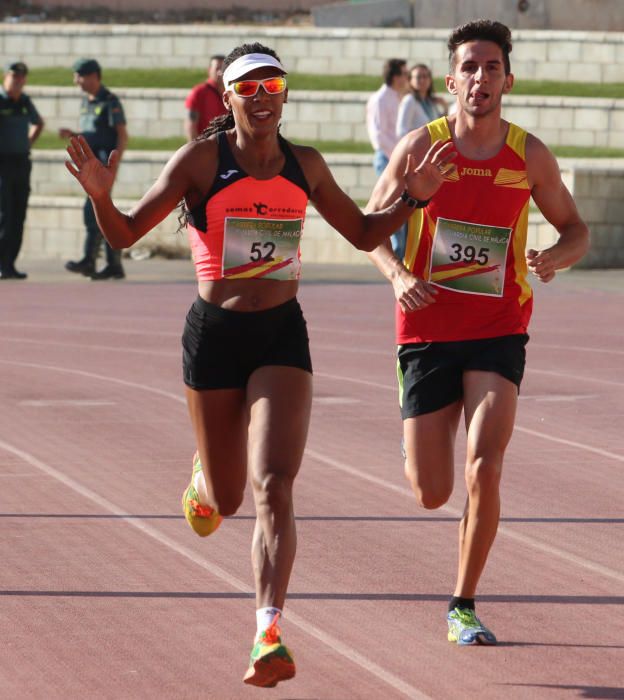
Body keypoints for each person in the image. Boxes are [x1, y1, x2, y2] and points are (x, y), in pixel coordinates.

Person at [64, 42, 453, 687]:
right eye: (251, 87)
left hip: (281, 336)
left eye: (274, 84)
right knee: (225, 496)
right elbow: (126, 234)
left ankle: (267, 630)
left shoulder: (305, 165)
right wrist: (103, 197)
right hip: (215, 336)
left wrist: (411, 200)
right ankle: (204, 480)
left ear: (285, 94)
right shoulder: (199, 161)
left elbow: (361, 233)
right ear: (229, 98)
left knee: (274, 484)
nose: (264, 96)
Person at [366, 20, 589, 646]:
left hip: (499, 327)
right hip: (427, 328)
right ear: (450, 79)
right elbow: (367, 228)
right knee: (432, 492)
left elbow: (576, 230)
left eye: (492, 67)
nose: (480, 78)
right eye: (469, 66)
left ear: (507, 80)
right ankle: (414, 438)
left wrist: (554, 257)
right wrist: (397, 271)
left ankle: (462, 603)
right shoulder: (419, 147)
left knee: (485, 466)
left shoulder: (529, 155)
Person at [60, 58, 128, 280]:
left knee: (95, 214)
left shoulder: (110, 101)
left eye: (79, 75)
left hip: (103, 168)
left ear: (93, 76)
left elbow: (122, 135)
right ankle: (112, 265)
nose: (76, 80)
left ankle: (90, 261)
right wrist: (73, 134)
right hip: (91, 167)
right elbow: (92, 133)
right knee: (101, 214)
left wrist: (114, 167)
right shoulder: (86, 102)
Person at [0, 60, 44, 280]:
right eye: (13, 77)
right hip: (2, 165)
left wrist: (27, 142)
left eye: (21, 78)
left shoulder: (25, 101)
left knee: (18, 214)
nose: (17, 81)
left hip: (21, 163)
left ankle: (10, 264)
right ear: (5, 77)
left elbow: (39, 123)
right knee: (4, 215)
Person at [366, 58, 409, 260]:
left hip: (395, 158)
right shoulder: (381, 99)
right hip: (388, 158)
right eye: (404, 74)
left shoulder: (396, 98)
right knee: (394, 210)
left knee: (402, 210)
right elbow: (379, 135)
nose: (407, 79)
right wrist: (398, 158)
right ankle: (397, 260)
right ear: (395, 76)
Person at [396, 63, 448, 138]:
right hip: (418, 147)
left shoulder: (430, 101)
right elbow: (401, 131)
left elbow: (439, 127)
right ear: (410, 80)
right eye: (418, 77)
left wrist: (445, 107)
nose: (422, 80)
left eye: (425, 76)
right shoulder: (409, 100)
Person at [184, 54, 227, 141]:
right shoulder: (199, 92)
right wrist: (195, 147)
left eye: (223, 69)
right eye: (217, 69)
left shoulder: (231, 92)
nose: (220, 72)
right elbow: (191, 124)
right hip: (205, 145)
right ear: (209, 70)